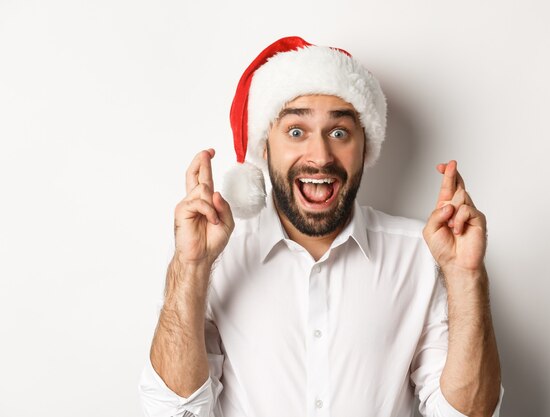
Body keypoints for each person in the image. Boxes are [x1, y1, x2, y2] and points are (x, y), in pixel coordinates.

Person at [139, 36, 503, 417]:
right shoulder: (217, 255)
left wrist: (466, 277)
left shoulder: (423, 253)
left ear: (366, 148)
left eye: (339, 132)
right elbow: (170, 413)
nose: (320, 156)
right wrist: (192, 267)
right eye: (296, 131)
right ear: (265, 147)